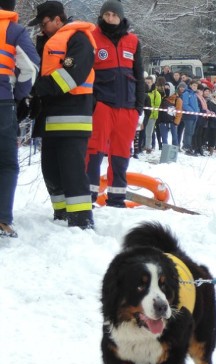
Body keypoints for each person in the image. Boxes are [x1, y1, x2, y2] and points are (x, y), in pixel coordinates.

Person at [28, 1, 97, 229]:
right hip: (51, 116)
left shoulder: (79, 38)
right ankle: (62, 214)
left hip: (73, 115)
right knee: (50, 169)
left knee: (72, 170)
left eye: (44, 23)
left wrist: (38, 88)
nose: (42, 29)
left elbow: (71, 75)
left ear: (58, 19)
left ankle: (81, 220)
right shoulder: (48, 42)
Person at [85, 0, 146, 208]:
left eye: (114, 15)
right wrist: (93, 103)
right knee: (94, 151)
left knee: (121, 154)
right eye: (107, 14)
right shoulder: (92, 37)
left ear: (121, 17)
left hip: (128, 109)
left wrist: (139, 107)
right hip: (102, 106)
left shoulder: (133, 41)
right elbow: (86, 73)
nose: (110, 18)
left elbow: (139, 75)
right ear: (102, 16)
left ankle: (117, 199)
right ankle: (88, 197)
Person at [0, 0, 39, 238]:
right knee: (6, 163)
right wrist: (18, 96)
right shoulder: (13, 30)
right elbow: (31, 67)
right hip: (2, 102)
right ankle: (2, 220)